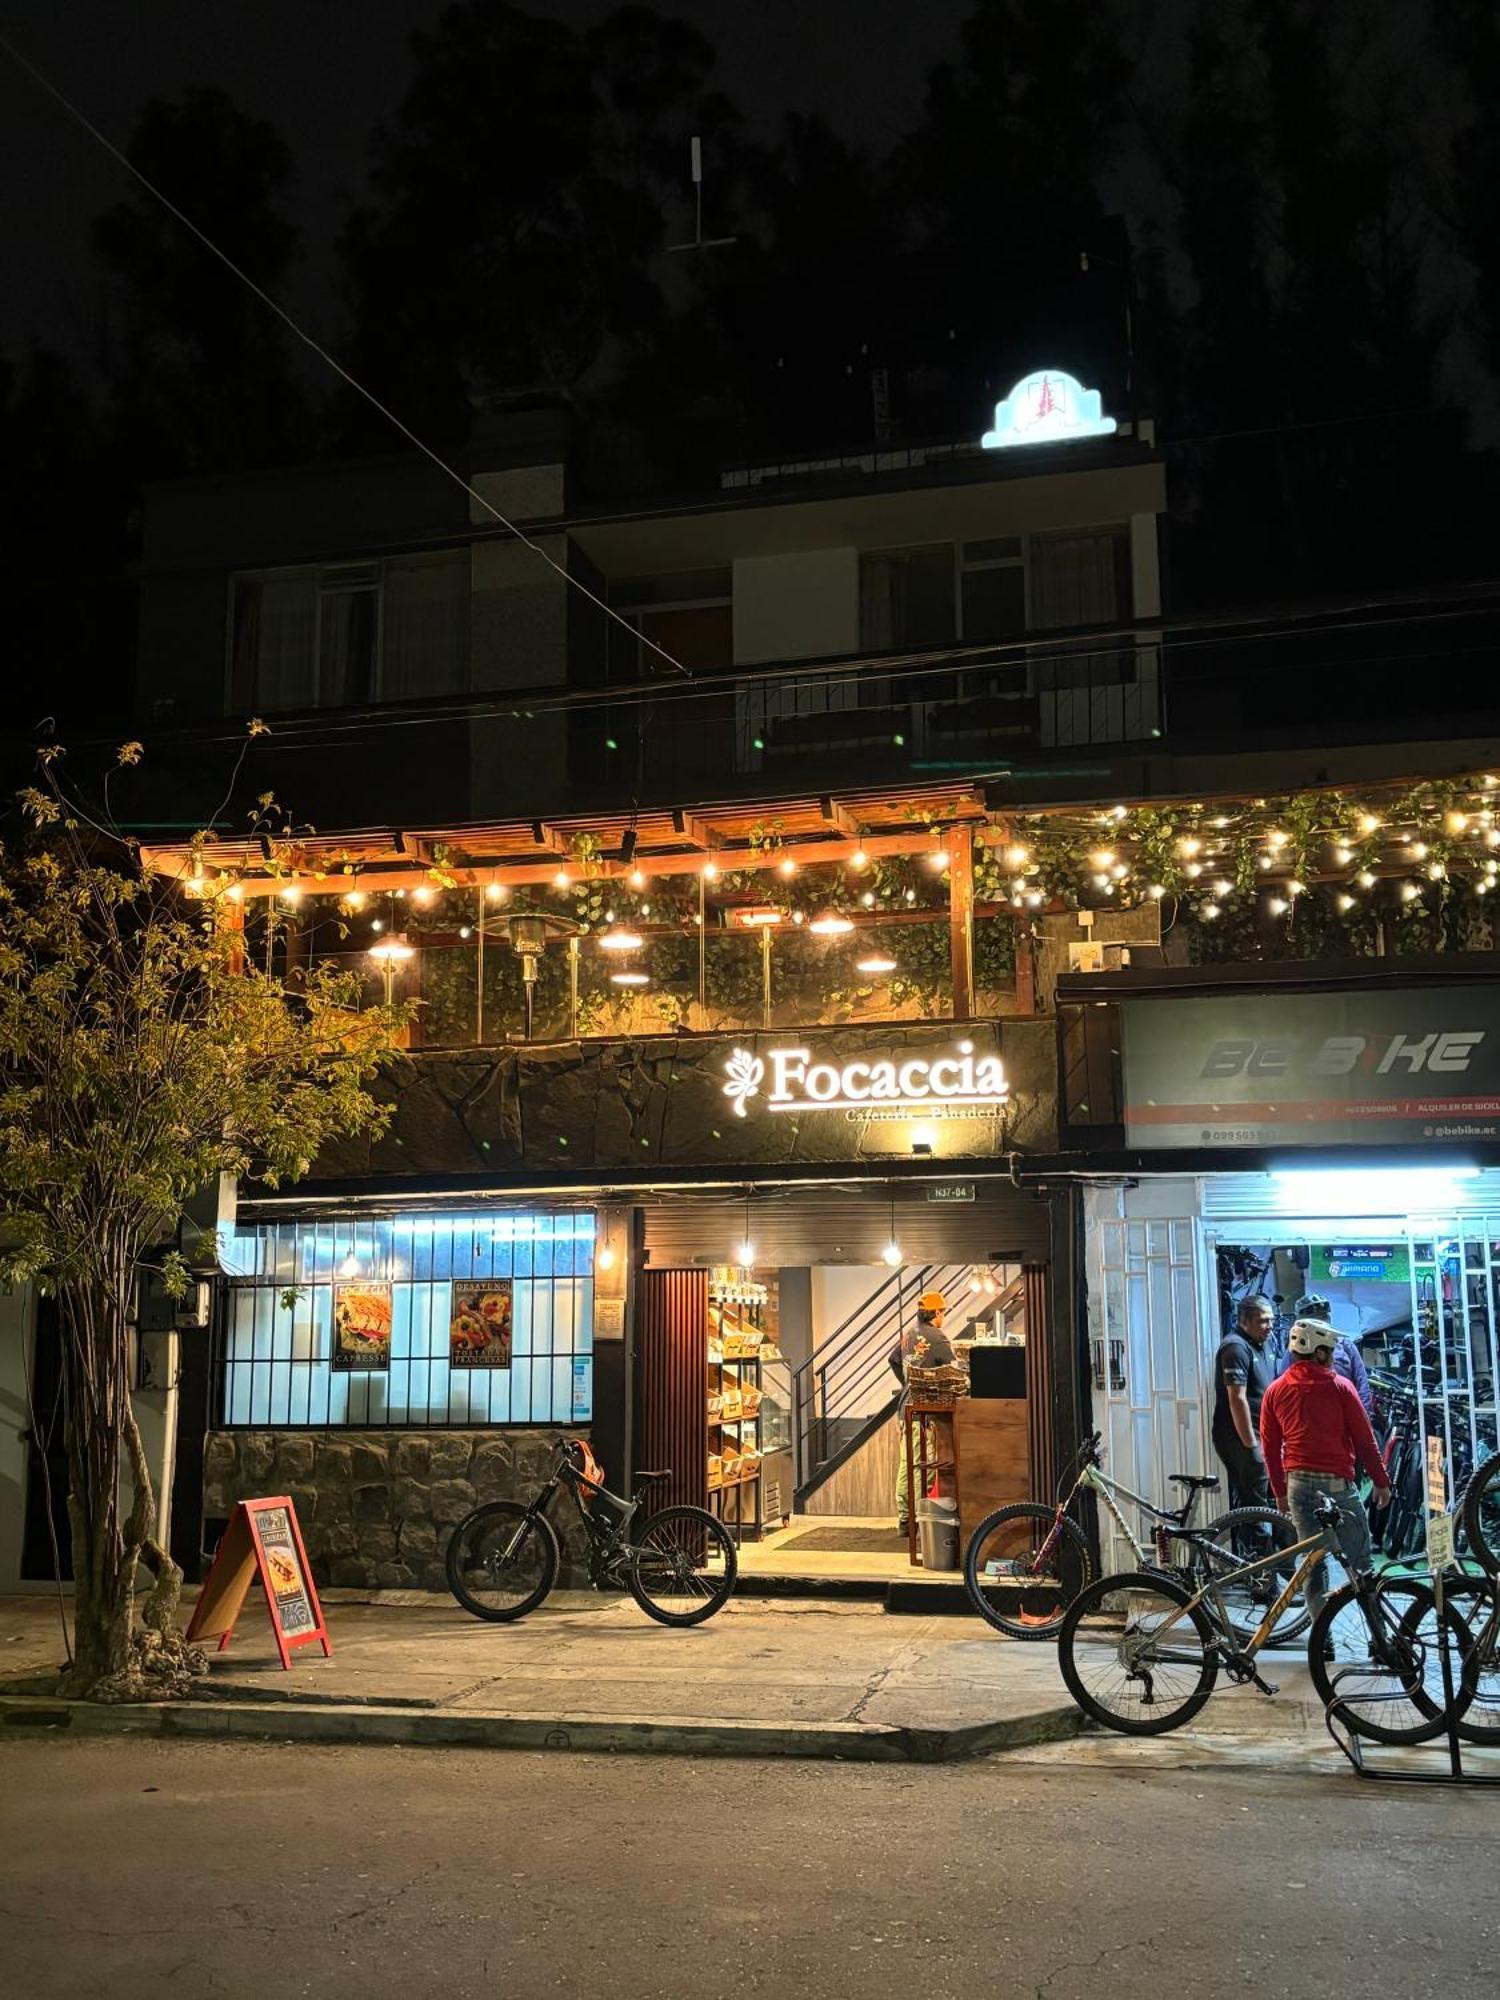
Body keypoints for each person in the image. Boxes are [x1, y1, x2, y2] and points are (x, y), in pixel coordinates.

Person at [1260, 1317, 1393, 1629]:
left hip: (1297, 1486)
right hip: (1336, 1485)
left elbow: (1269, 1448)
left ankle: (1322, 1642)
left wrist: (1279, 1492)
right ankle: (1380, 1639)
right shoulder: (1340, 1387)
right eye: (1330, 1351)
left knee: (1312, 1564)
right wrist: (1381, 1481)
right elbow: (1364, 1440)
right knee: (1361, 1564)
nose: (1334, 1356)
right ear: (1319, 1353)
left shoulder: (1275, 1391)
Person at [890, 1290, 954, 1534]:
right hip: (925, 1411)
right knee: (922, 1466)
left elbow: (893, 1360)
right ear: (937, 1313)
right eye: (943, 1312)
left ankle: (905, 1519)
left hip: (906, 1408)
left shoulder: (908, 1335)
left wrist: (907, 1383)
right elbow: (952, 1370)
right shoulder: (938, 1337)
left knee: (907, 1464)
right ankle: (919, 1520)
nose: (943, 1317)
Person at [1212, 1296, 1279, 1512]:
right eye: (1262, 1321)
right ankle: (1258, 1546)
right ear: (1244, 1321)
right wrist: (1251, 1444)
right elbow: (1237, 1398)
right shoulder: (1235, 1348)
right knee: (1255, 1506)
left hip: (1264, 1434)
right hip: (1241, 1437)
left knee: (1272, 1500)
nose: (1269, 1326)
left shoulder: (1266, 1344)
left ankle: (1277, 1545)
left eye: (1271, 1320)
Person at [1276, 1292, 1373, 1413]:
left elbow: (1362, 1382)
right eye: (1316, 1319)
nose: (1321, 1323)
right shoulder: (1294, 1351)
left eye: (1323, 1317)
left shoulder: (1345, 1345)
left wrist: (1365, 1415)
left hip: (1345, 1415)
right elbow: (1283, 1388)